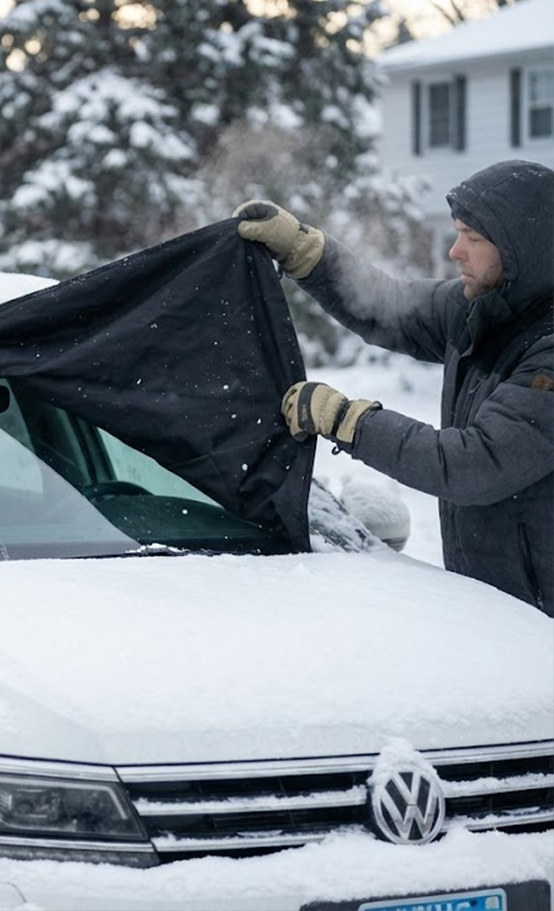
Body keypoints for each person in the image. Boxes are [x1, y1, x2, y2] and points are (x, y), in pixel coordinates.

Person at [233, 159, 554, 615]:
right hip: (495, 611)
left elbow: (474, 465)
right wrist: (307, 253)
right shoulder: (483, 307)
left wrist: (349, 421)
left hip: (541, 628)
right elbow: (390, 309)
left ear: (526, 249)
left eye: (474, 238)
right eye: (458, 232)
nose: (455, 251)